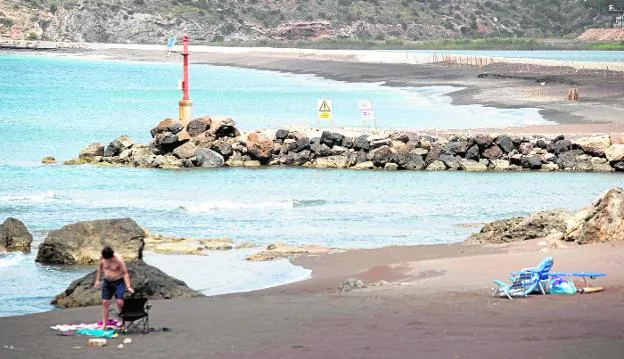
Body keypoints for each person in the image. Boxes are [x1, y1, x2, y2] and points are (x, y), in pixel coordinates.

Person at [94, 246, 134, 329]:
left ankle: (123, 323)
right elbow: (99, 268)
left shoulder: (118, 260)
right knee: (105, 302)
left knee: (119, 302)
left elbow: (125, 273)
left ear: (112, 256)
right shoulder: (103, 257)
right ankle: (104, 324)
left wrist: (128, 286)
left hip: (118, 281)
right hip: (107, 281)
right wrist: (97, 280)